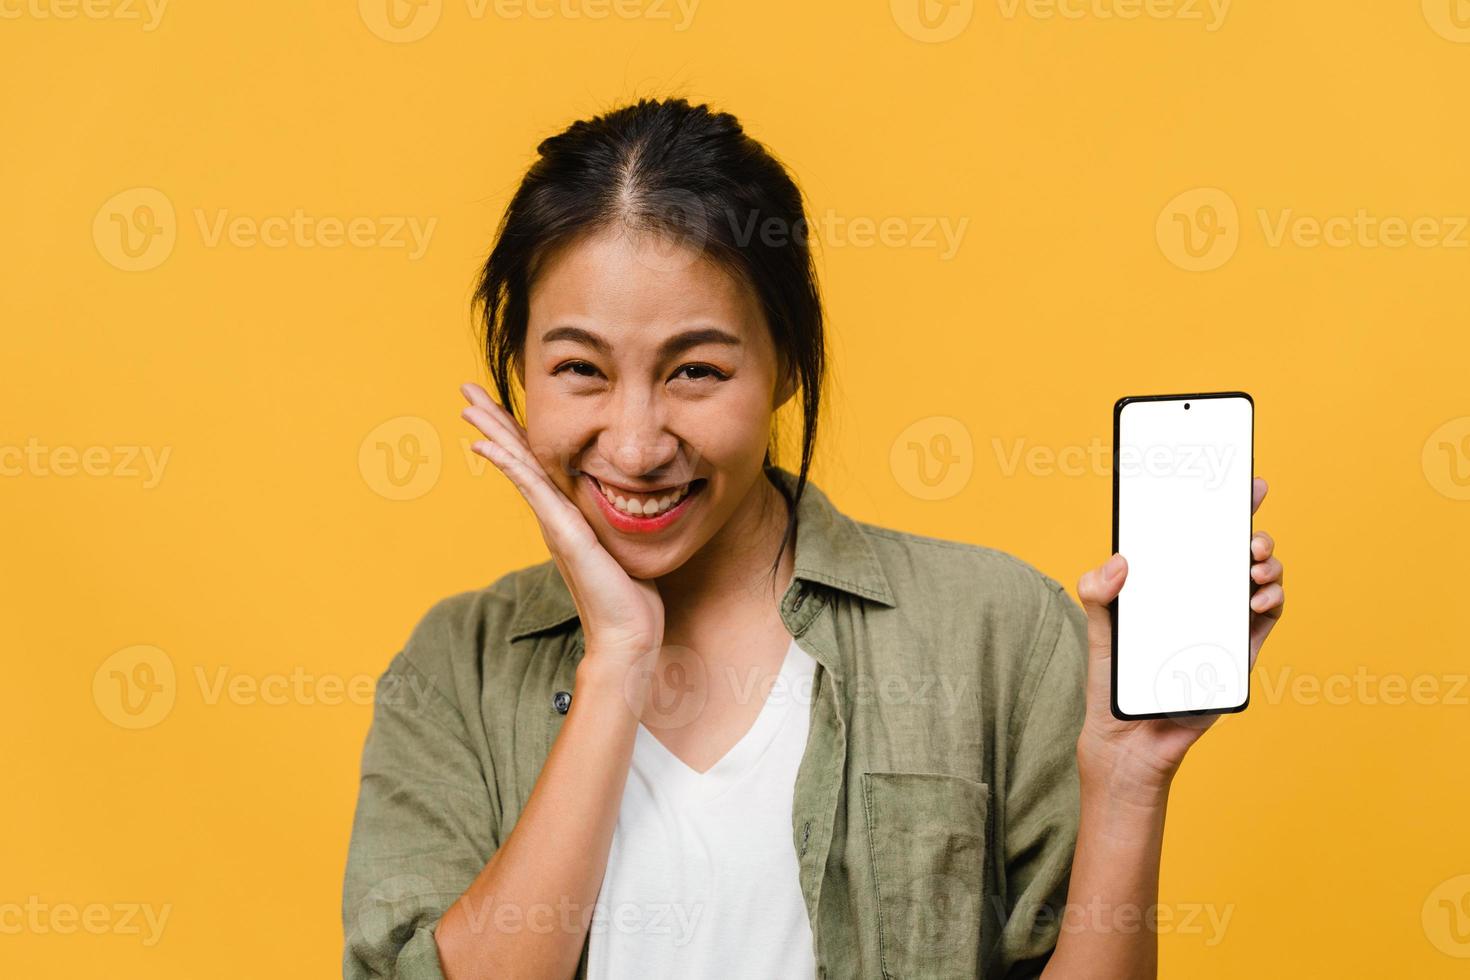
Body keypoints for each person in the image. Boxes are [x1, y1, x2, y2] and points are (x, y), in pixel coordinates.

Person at [341, 97, 1286, 980]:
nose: (635, 444)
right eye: (580, 368)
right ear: (516, 370)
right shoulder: (452, 670)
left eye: (698, 370)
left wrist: (1127, 781)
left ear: (789, 364)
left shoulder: (996, 631)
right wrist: (618, 659)